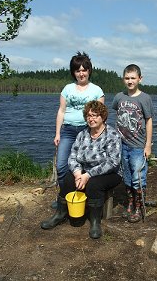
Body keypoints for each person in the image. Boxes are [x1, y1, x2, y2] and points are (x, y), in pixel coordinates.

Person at [41, 101, 122, 239]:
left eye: (95, 115)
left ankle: (95, 221)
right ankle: (60, 214)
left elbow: (113, 162)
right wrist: (78, 172)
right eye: (89, 116)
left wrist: (88, 175)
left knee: (94, 184)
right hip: (83, 171)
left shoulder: (112, 135)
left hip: (110, 173)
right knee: (67, 179)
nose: (91, 119)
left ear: (103, 117)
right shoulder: (83, 134)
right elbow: (72, 156)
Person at [51, 51, 105, 209]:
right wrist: (57, 133)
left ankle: (83, 197)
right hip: (68, 130)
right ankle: (64, 197)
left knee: (85, 166)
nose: (81, 73)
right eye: (77, 70)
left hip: (87, 131)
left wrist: (98, 135)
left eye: (84, 69)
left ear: (89, 71)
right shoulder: (67, 89)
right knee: (62, 166)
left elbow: (101, 115)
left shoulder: (96, 90)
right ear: (73, 72)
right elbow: (61, 111)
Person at [112, 64, 154, 223]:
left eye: (133, 78)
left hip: (138, 146)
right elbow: (117, 115)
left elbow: (149, 121)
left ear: (139, 79)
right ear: (123, 79)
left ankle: (139, 207)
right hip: (122, 145)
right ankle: (130, 203)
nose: (130, 81)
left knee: (138, 177)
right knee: (128, 178)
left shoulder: (145, 98)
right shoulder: (119, 97)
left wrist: (148, 145)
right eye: (127, 78)